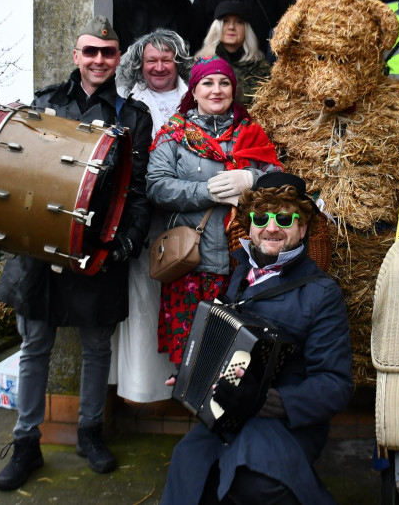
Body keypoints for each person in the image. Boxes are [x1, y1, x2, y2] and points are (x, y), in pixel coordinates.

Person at [0, 16, 152, 490]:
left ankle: (90, 433)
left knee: (97, 347)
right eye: (90, 52)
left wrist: (128, 241)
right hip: (41, 247)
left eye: (108, 52)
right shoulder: (44, 103)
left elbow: (138, 190)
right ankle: (26, 443)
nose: (99, 60)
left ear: (118, 58)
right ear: (76, 55)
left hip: (98, 248)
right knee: (34, 346)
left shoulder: (133, 115)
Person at [160, 172, 353, 505]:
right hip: (229, 414)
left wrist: (263, 401)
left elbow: (335, 385)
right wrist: (195, 377)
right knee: (188, 466)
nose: (271, 227)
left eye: (284, 218)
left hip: (286, 423)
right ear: (250, 227)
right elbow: (230, 346)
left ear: (302, 228)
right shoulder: (241, 274)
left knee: (253, 484)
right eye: (261, 218)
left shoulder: (322, 294)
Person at [146, 57, 282, 366]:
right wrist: (207, 192)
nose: (216, 90)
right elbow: (156, 186)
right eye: (207, 83)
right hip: (192, 265)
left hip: (244, 264)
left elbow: (279, 181)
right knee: (192, 361)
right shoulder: (173, 135)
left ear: (234, 90)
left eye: (224, 83)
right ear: (194, 91)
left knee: (238, 358)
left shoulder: (251, 133)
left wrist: (252, 179)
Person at [109, 29, 193, 403]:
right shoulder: (126, 101)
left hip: (187, 215)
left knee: (182, 296)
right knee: (144, 296)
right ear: (139, 65)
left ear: (178, 62)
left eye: (166, 59)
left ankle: (186, 380)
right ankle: (142, 386)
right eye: (151, 60)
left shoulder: (195, 97)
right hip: (141, 216)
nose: (159, 67)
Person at [196, 0, 271, 105]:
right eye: (225, 21)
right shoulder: (201, 63)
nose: (231, 27)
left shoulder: (261, 67)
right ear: (216, 27)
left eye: (239, 22)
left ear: (246, 29)